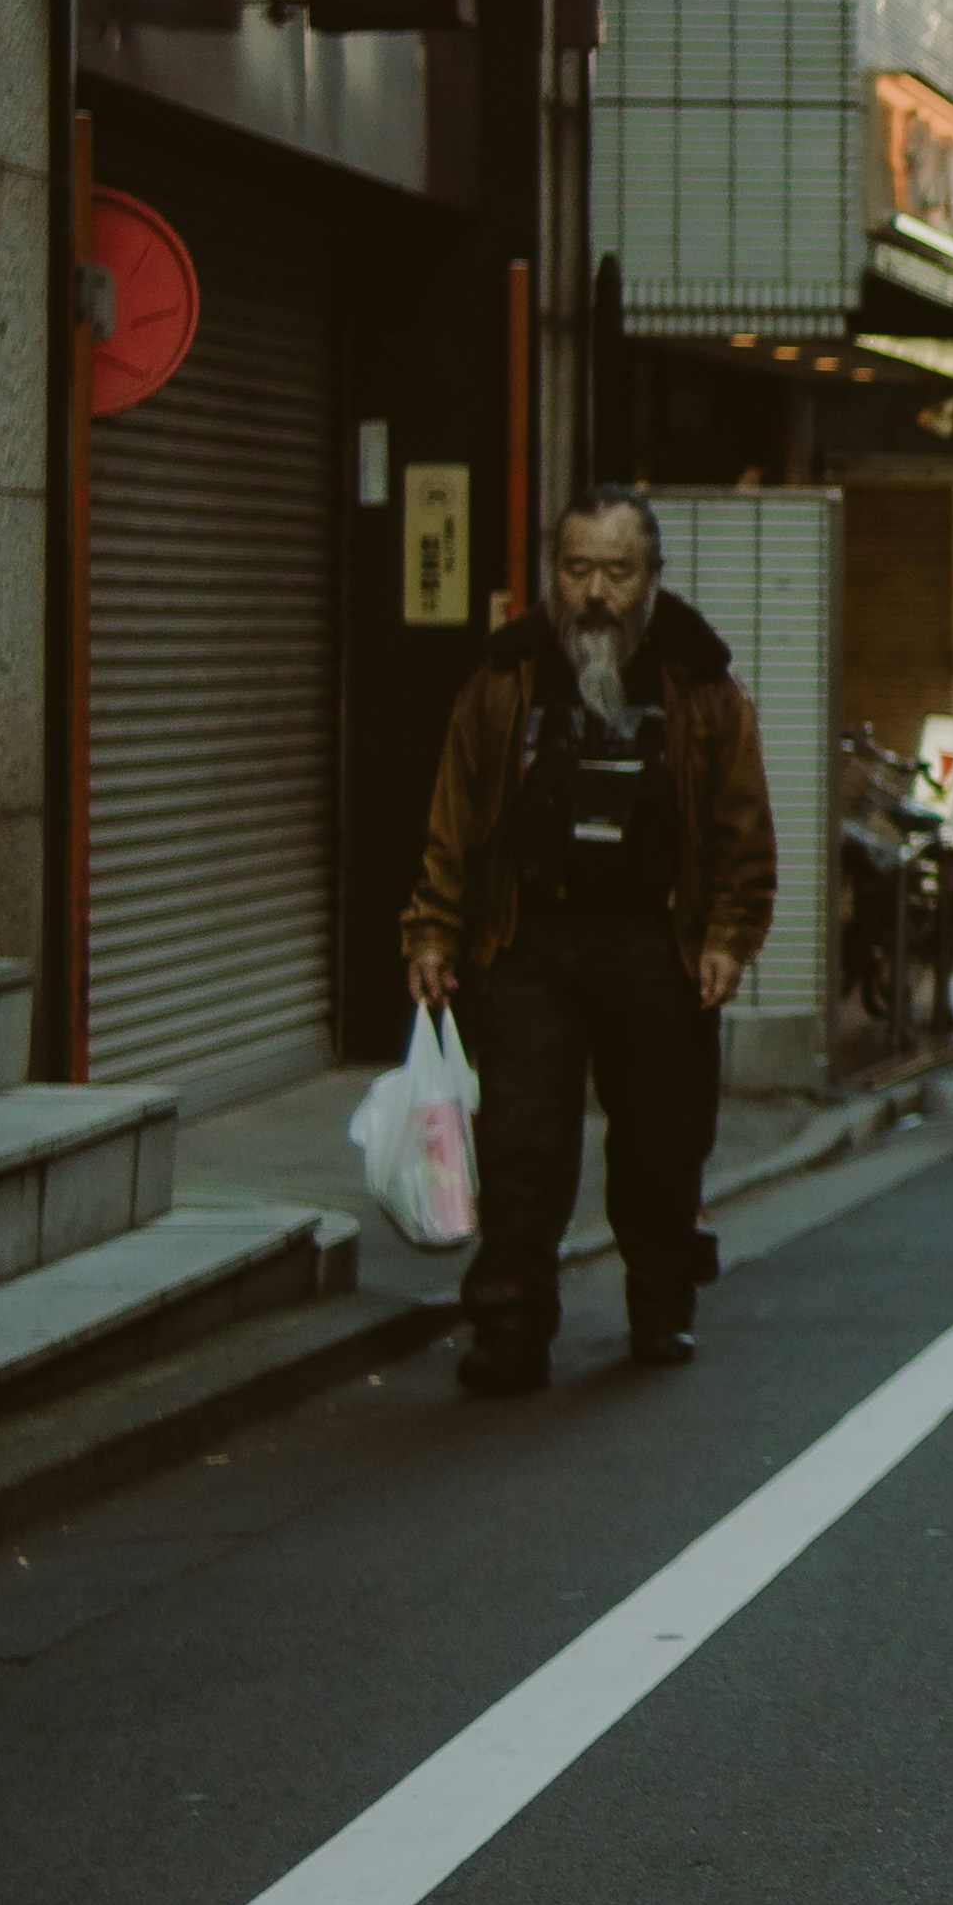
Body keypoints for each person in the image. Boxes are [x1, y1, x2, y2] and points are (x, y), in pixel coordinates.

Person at [401, 486, 777, 1399]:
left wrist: (730, 933)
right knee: (524, 1142)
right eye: (577, 570)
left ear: (652, 578)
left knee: (660, 1140)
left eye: (618, 570)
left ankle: (660, 1303)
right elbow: (454, 818)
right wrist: (434, 930)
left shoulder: (702, 681)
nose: (596, 592)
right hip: (532, 941)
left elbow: (741, 826)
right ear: (551, 575)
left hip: (659, 941)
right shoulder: (505, 678)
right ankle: (509, 1325)